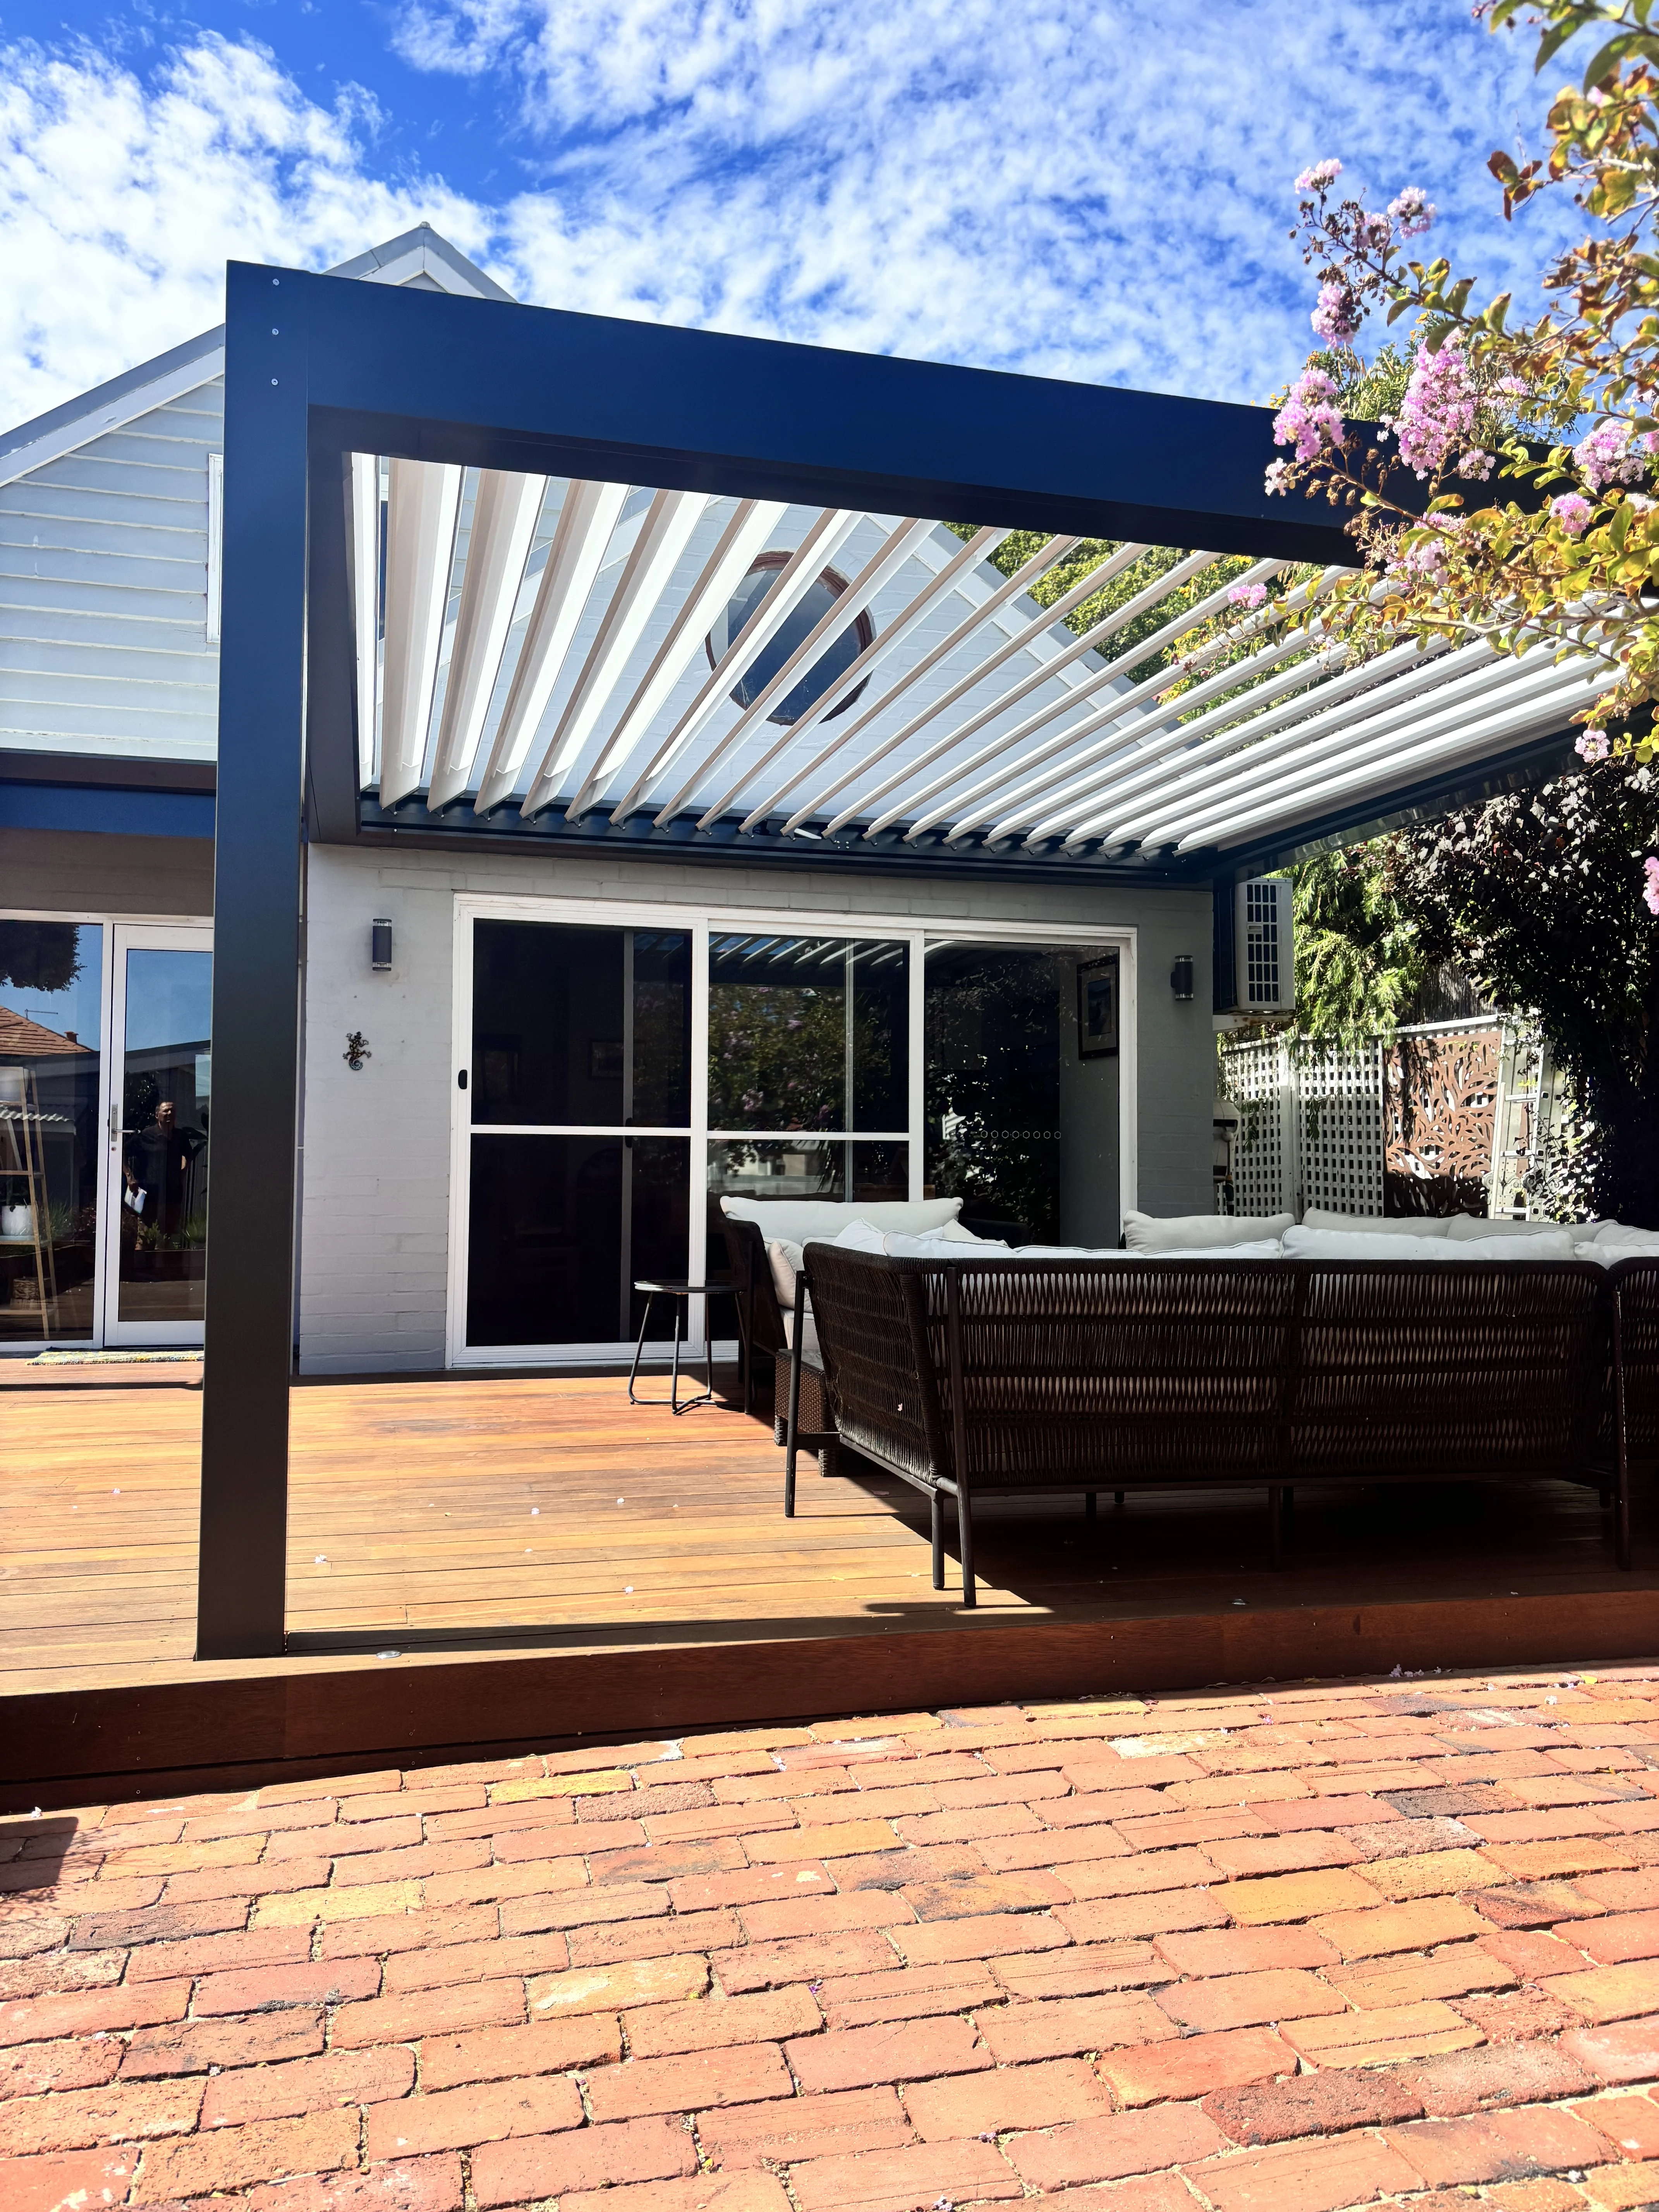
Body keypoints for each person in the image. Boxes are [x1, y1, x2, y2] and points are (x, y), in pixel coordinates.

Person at [124, 1099, 198, 1239]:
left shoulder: (180, 1137)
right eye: (166, 1111)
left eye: (173, 1111)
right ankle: (142, 1260)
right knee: (144, 1237)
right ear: (157, 1115)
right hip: (149, 1195)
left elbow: (188, 1154)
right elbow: (122, 1152)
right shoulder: (146, 1135)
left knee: (167, 1237)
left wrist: (183, 1173)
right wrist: (130, 1176)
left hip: (173, 1194)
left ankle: (164, 1260)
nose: (170, 1113)